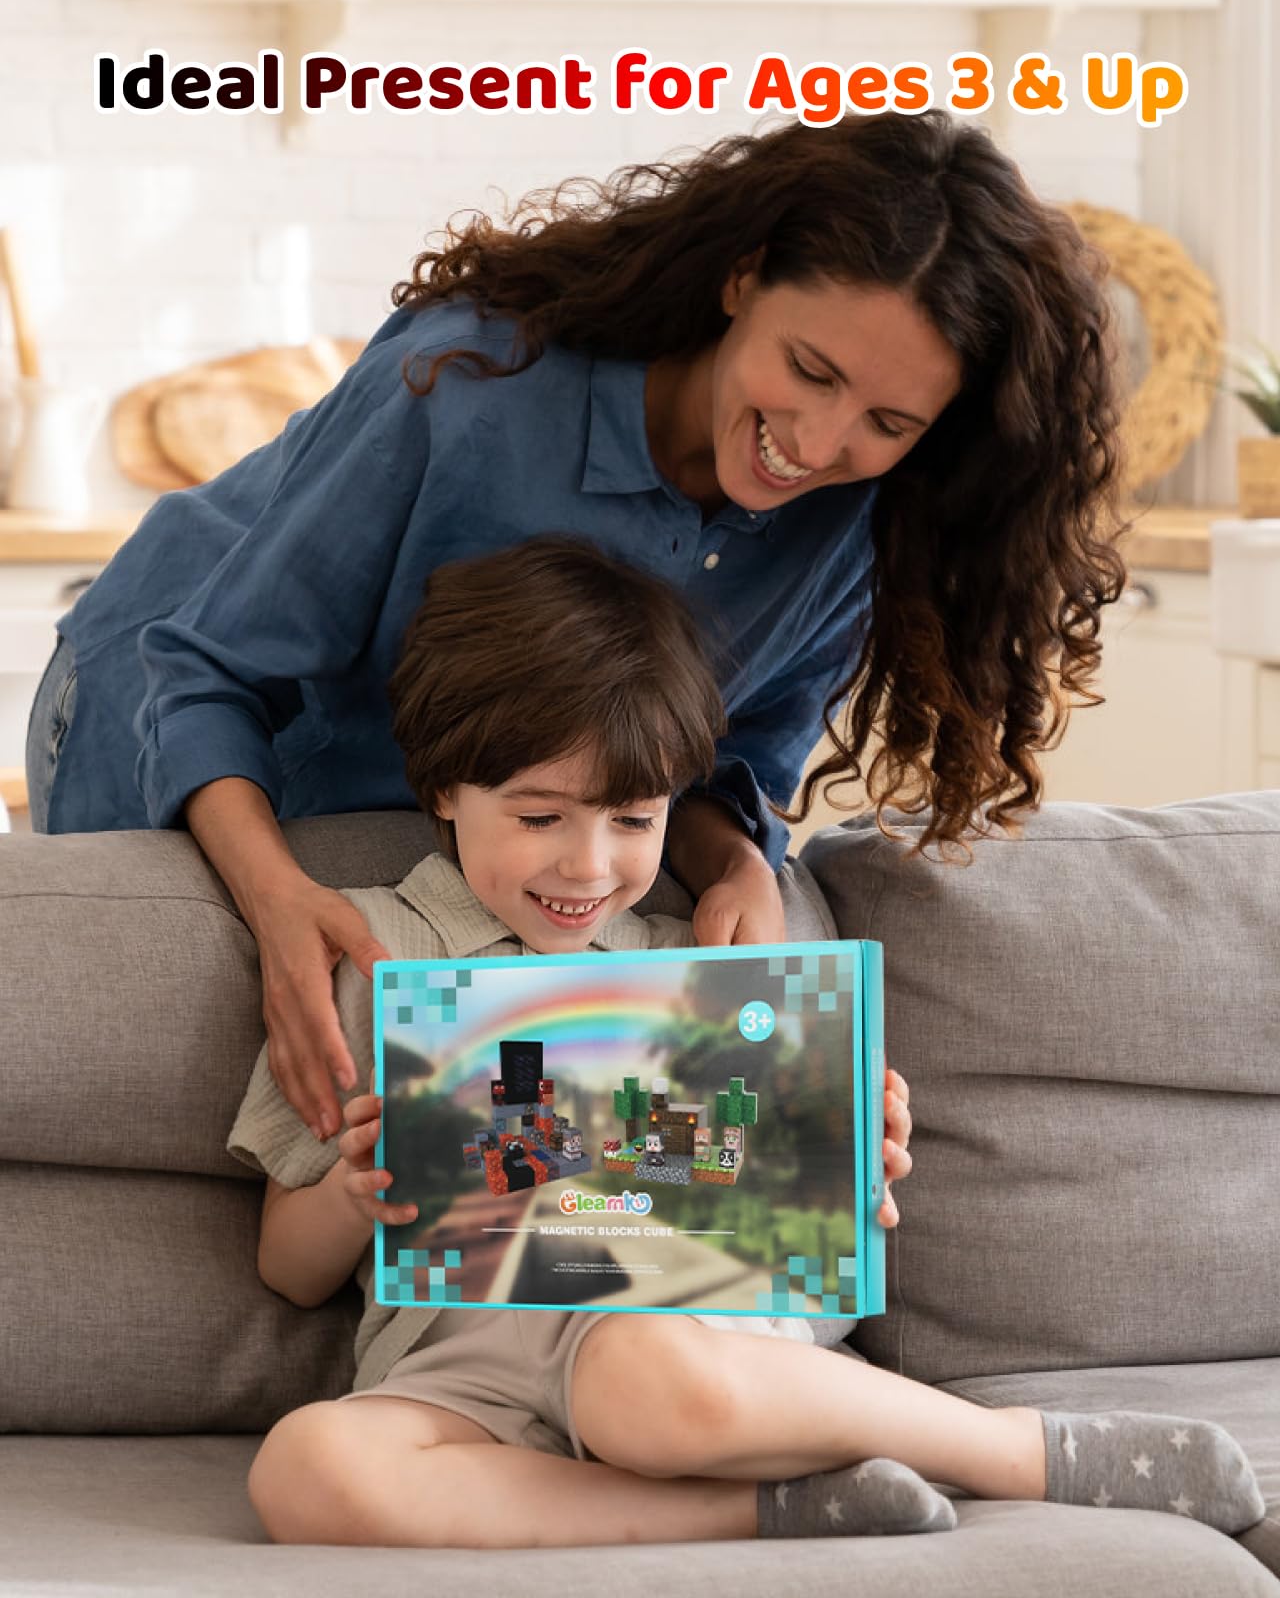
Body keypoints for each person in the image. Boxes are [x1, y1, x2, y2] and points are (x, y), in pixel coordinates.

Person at [29, 109, 1127, 1149]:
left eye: (886, 421)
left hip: (460, 806)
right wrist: (276, 903)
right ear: (742, 279)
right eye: (808, 368)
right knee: (207, 1065)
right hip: (168, 691)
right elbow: (213, 671)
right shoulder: (465, 387)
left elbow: (717, 767)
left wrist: (738, 864)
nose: (816, 437)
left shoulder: (862, 525)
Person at [235, 541, 1263, 1550]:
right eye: (538, 814)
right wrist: (350, 1191)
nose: (586, 864)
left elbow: (779, 1215)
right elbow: (288, 1270)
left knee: (640, 1385)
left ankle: (1016, 1450)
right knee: (304, 1469)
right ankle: (766, 1509)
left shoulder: (706, 966)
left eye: (633, 821)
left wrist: (847, 1152)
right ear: (444, 790)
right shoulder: (366, 962)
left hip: (673, 1340)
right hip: (460, 1376)